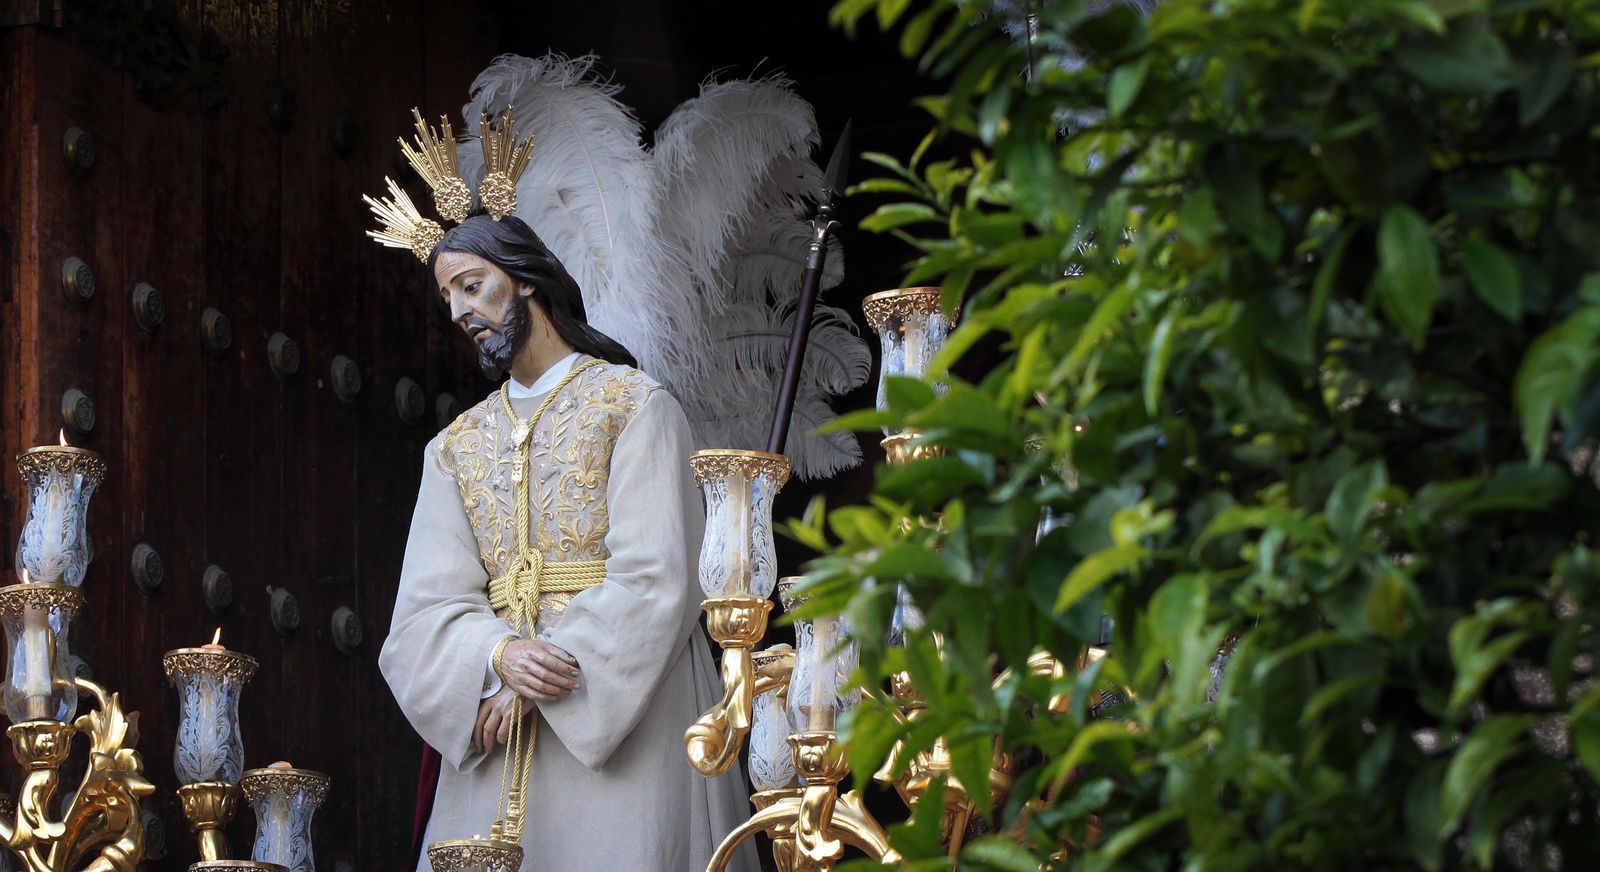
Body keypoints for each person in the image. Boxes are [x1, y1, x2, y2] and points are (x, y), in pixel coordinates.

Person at [377, 213, 758, 872]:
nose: (461, 312)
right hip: (497, 736)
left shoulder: (634, 406)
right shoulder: (455, 448)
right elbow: (420, 615)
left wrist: (543, 671)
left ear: (523, 278)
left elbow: (657, 577)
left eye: (471, 286)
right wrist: (497, 656)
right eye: (449, 298)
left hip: (625, 721)